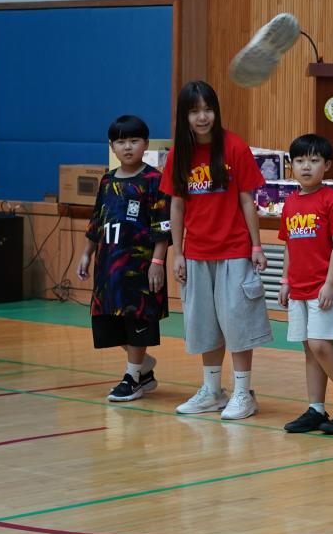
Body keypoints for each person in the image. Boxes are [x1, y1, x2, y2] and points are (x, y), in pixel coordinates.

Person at [163, 80, 272, 421]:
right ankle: (212, 391)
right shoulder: (178, 154)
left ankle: (243, 393)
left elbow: (247, 200)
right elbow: (176, 206)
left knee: (237, 324)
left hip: (234, 251)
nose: (202, 117)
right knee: (204, 325)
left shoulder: (234, 147)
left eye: (208, 109)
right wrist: (178, 253)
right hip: (196, 253)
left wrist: (256, 245)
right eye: (194, 111)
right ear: (184, 116)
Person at [75, 114, 170, 403]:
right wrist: (87, 253)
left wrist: (157, 262)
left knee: (137, 319)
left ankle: (132, 377)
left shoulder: (154, 180)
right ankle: (144, 368)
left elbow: (162, 226)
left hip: (139, 269)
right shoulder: (107, 180)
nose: (127, 147)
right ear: (112, 147)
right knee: (109, 322)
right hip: (108, 267)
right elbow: (97, 220)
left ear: (146, 144)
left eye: (134, 140)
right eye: (120, 142)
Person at [276, 133, 333, 436]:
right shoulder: (289, 203)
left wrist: (330, 284)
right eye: (299, 160)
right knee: (309, 349)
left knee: (321, 345)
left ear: (327, 165)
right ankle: (315, 408)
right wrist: (285, 280)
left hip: (326, 288)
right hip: (299, 288)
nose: (306, 166)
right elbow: (289, 245)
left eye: (314, 160)